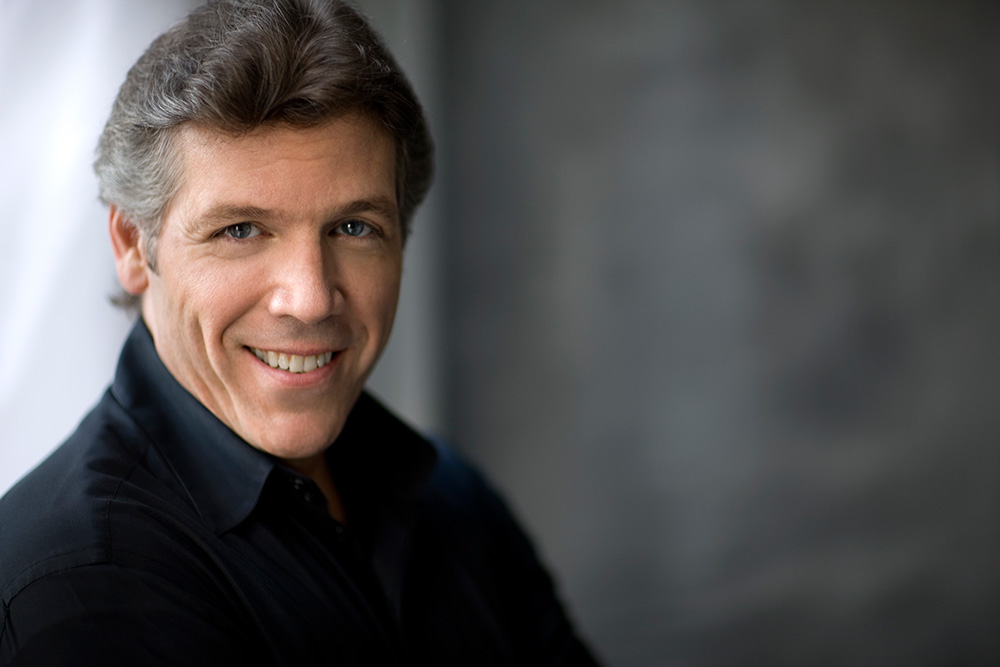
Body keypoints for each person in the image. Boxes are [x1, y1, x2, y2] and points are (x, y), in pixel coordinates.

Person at [0, 1, 599, 664]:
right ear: (133, 245)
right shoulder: (79, 584)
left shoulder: (454, 499)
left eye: (354, 228)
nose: (310, 299)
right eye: (240, 230)